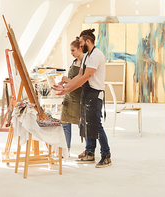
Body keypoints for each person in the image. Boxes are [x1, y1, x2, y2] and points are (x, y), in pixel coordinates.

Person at [52, 28, 111, 168]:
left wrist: (67, 89)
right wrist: (65, 87)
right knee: (86, 124)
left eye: (82, 42)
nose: (80, 45)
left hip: (95, 94)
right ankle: (89, 153)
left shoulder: (97, 55)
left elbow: (85, 77)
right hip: (86, 93)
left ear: (88, 41)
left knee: (96, 125)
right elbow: (78, 76)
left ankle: (106, 155)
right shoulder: (86, 56)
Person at [59, 37, 84, 157]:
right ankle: (66, 149)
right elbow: (71, 81)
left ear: (80, 49)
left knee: (82, 125)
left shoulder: (85, 63)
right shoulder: (73, 62)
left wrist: (67, 81)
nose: (71, 53)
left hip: (78, 98)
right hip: (69, 96)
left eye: (73, 50)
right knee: (65, 124)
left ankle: (88, 150)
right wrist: (65, 83)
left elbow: (80, 83)